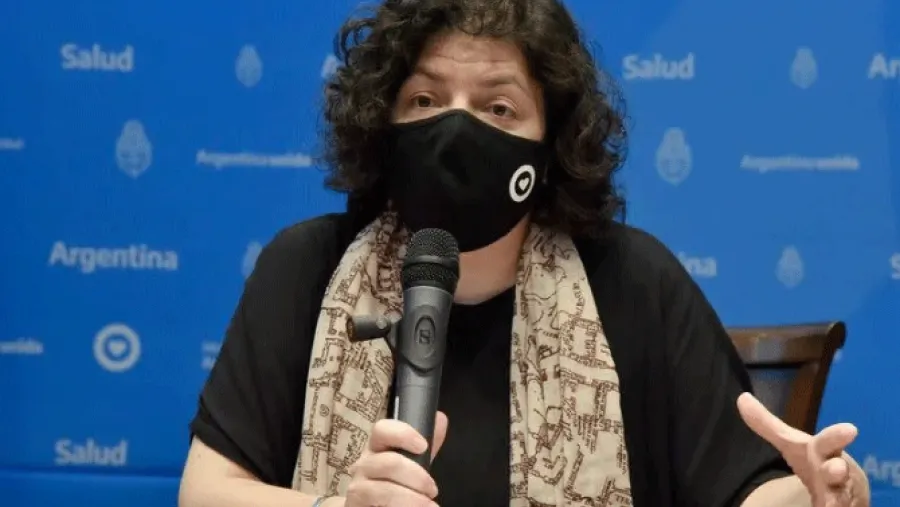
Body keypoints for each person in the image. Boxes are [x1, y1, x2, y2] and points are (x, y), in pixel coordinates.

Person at [178, 0, 871, 506]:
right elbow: (207, 490)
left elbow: (748, 493)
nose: (456, 129)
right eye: (425, 99)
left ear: (548, 146)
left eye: (499, 108)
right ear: (383, 123)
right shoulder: (306, 268)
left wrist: (820, 494)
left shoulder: (633, 281)